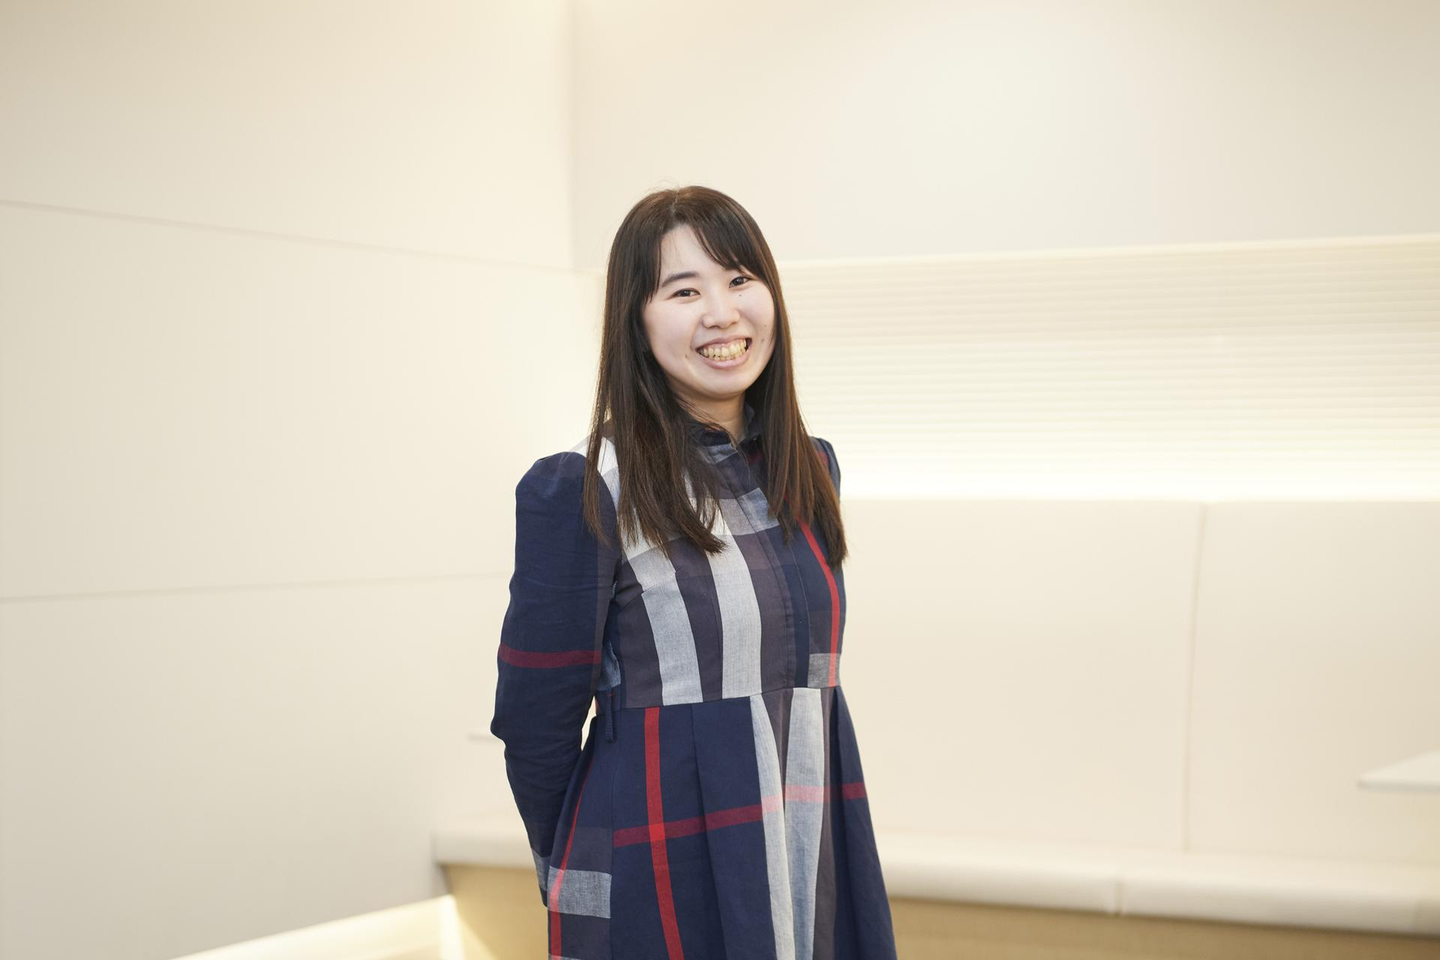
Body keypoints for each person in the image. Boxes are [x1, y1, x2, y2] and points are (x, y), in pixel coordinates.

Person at [490, 185, 898, 959]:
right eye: (684, 291)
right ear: (636, 322)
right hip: (658, 860)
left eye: (740, 279)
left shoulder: (809, 468)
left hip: (808, 843)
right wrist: (575, 866)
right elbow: (534, 722)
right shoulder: (583, 487)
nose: (722, 312)